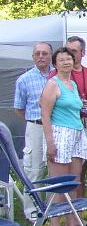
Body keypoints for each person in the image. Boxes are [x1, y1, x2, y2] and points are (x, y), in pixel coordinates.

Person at [40, 47, 87, 226]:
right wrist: (50, 142)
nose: (66, 62)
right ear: (55, 64)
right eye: (61, 60)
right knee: (59, 185)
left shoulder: (72, 84)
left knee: (74, 183)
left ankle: (71, 224)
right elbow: (45, 114)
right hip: (60, 133)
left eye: (68, 59)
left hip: (77, 133)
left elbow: (74, 107)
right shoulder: (53, 84)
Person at [61, 36, 87, 197]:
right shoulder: (58, 75)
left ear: (83, 52)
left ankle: (79, 210)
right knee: (70, 169)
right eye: (67, 51)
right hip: (69, 125)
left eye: (73, 51)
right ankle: (66, 210)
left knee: (82, 169)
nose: (69, 55)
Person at [13, 41, 53, 181]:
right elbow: (19, 108)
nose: (41, 56)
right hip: (36, 127)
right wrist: (34, 121)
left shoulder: (58, 76)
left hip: (57, 127)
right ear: (33, 56)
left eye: (44, 53)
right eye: (37, 53)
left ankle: (55, 203)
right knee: (34, 171)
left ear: (51, 56)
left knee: (55, 171)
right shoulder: (24, 80)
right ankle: (32, 204)